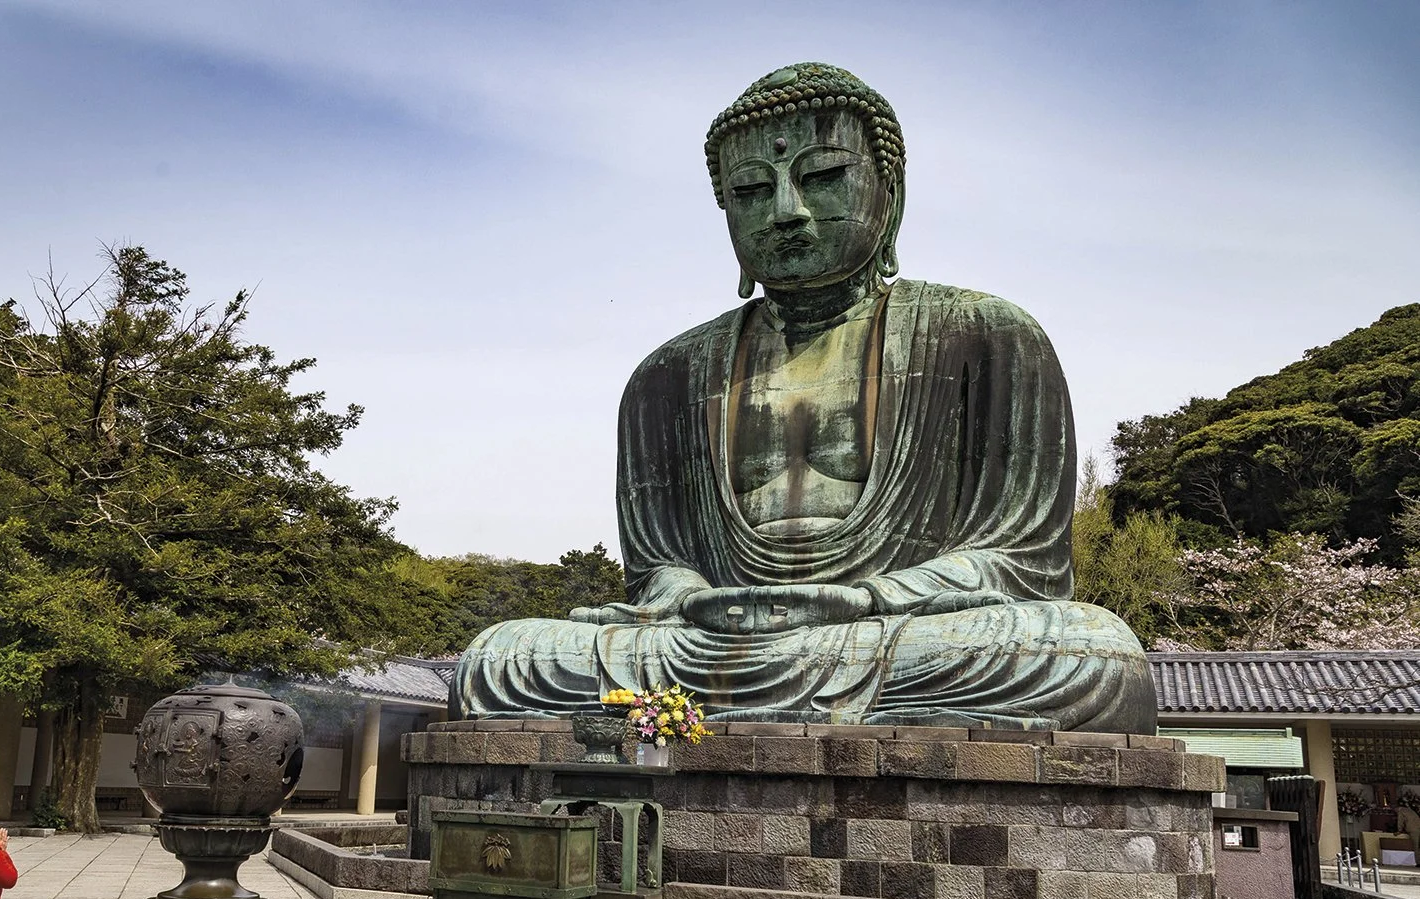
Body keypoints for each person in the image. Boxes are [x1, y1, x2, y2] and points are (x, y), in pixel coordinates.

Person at [454, 61, 1156, 732]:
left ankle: (729, 708)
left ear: (890, 192)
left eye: (821, 177)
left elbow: (1020, 559)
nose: (786, 212)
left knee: (1089, 654)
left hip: (896, 630)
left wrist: (868, 597)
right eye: (753, 192)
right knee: (502, 658)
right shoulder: (667, 373)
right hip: (709, 640)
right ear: (725, 210)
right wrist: (686, 599)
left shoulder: (982, 334)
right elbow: (657, 570)